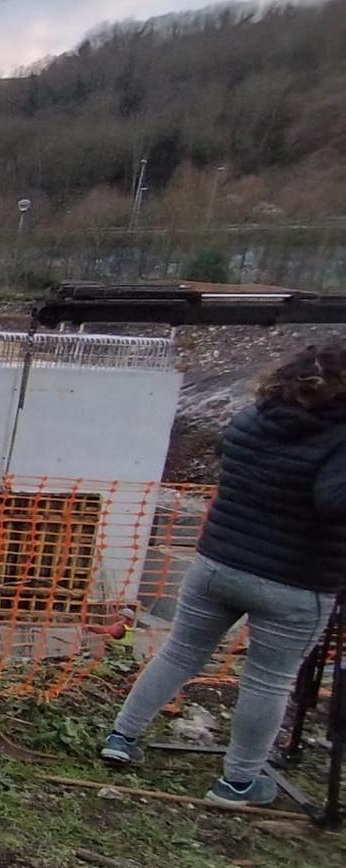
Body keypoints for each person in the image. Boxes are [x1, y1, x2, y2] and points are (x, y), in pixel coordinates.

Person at [100, 342, 346, 803]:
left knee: (178, 653)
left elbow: (227, 452)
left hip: (217, 565)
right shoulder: (339, 436)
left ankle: (122, 737)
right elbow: (335, 501)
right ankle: (238, 781)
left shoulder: (253, 418)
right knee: (268, 680)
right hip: (295, 581)